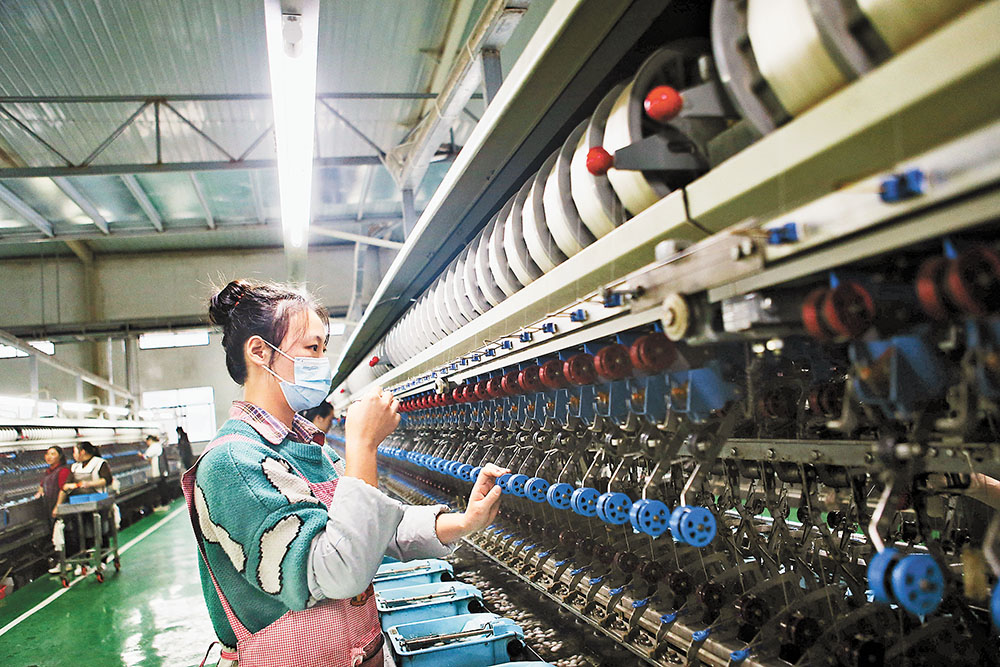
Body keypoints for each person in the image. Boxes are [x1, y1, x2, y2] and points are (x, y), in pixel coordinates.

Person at [187, 279, 506, 667]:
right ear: (259, 352)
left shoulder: (306, 446)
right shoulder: (234, 462)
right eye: (312, 348)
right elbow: (337, 572)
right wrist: (363, 446)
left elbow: (375, 526)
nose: (322, 362)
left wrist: (464, 522)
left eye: (324, 349)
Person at [35, 446, 71, 518]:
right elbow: (42, 485)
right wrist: (39, 492)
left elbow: (63, 490)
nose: (49, 457)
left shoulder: (63, 471)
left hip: (61, 508)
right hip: (50, 506)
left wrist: (57, 507)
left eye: (53, 454)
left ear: (60, 456)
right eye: (47, 454)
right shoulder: (48, 471)